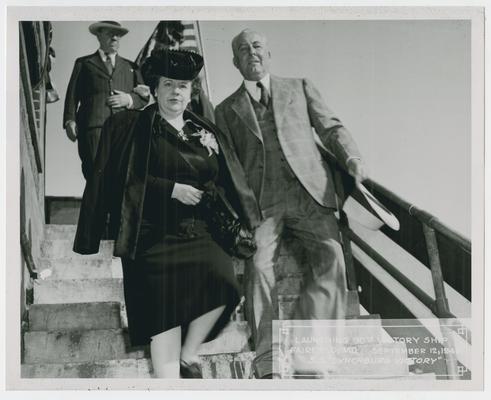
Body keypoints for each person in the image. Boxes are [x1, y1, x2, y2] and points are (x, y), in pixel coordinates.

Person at [73, 49, 256, 378]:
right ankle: (169, 386)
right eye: (169, 84)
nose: (176, 92)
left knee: (227, 288)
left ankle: (188, 355)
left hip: (199, 231)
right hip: (150, 235)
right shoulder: (128, 125)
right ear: (153, 89)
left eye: (183, 86)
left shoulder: (206, 132)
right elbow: (117, 181)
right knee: (164, 322)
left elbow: (226, 180)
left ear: (191, 92)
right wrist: (169, 189)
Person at [214, 29, 368, 379]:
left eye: (256, 46)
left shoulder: (299, 86)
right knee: (258, 267)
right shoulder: (225, 110)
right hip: (263, 204)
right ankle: (268, 360)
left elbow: (331, 128)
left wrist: (353, 158)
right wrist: (249, 211)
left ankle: (311, 349)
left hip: (311, 193)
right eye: (242, 49)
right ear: (235, 62)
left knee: (332, 258)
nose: (250, 52)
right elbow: (233, 167)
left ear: (268, 54)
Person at [63, 21, 148, 179]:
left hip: (124, 129)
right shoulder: (84, 63)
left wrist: (128, 99)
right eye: (110, 33)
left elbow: (144, 97)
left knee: (121, 174)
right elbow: (72, 95)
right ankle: (96, 204)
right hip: (93, 128)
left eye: (118, 35)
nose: (115, 38)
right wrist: (70, 120)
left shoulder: (131, 67)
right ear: (99, 36)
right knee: (95, 173)